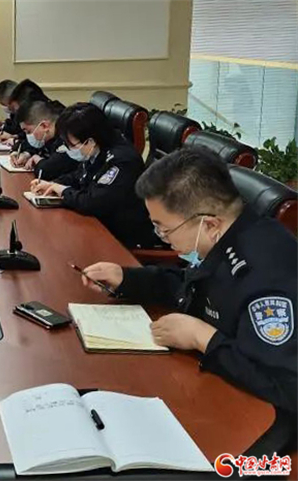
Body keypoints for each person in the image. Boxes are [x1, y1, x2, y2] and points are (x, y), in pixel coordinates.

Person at [80, 148, 296, 413]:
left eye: (164, 229)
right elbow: (194, 286)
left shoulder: (265, 276)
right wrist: (127, 278)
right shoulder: (228, 234)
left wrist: (202, 338)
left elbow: (286, 386)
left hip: (262, 416)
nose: (161, 237)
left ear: (209, 225)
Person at [29, 102, 160, 249]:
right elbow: (80, 176)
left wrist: (62, 191)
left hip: (121, 238)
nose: (67, 149)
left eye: (71, 145)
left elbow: (93, 203)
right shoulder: (98, 149)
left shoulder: (122, 161)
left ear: (90, 141)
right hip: (100, 225)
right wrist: (52, 184)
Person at [11, 99, 77, 180]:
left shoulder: (68, 135)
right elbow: (27, 144)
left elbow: (47, 171)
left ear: (44, 126)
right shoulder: (47, 136)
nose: (28, 136)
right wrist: (25, 154)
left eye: (28, 131)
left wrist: (37, 159)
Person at [0, 79, 50, 143]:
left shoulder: (35, 109)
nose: (16, 110)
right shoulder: (25, 107)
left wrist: (16, 141)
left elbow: (35, 138)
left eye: (6, 104)